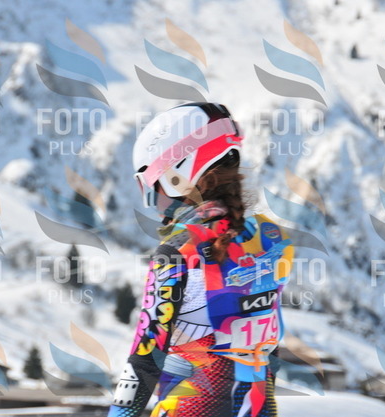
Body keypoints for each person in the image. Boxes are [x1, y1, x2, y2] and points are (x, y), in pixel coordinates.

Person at [108, 102, 294, 417]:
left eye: (154, 185)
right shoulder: (271, 238)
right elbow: (269, 346)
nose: (155, 201)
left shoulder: (177, 252)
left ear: (179, 174)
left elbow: (145, 359)